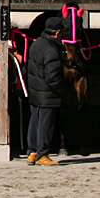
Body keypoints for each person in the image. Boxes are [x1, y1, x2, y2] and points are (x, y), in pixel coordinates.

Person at [25, 16, 66, 166]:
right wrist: (61, 91)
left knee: (35, 122)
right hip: (47, 93)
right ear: (57, 33)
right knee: (45, 124)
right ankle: (42, 154)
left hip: (35, 90)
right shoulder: (51, 50)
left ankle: (32, 152)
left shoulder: (36, 44)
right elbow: (53, 76)